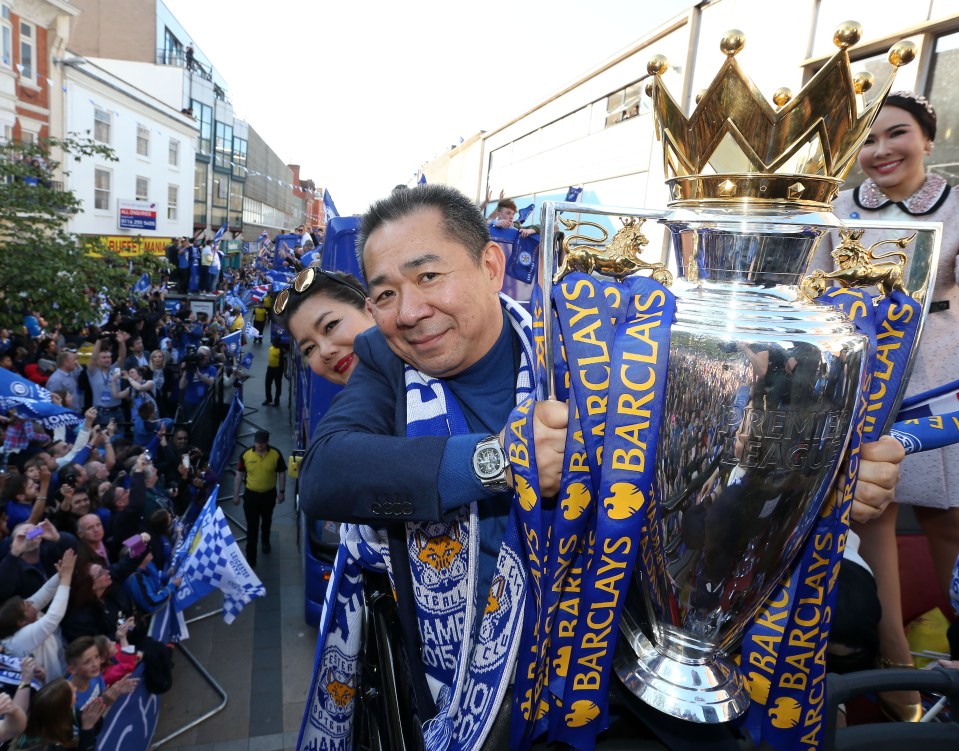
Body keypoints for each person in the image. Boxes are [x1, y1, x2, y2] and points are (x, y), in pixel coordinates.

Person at [296, 185, 906, 748]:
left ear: (489, 267)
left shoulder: (599, 345)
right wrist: (500, 461)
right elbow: (327, 474)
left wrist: (810, 485)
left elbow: (704, 492)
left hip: (608, 673)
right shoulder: (380, 359)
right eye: (383, 293)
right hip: (457, 688)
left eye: (427, 275)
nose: (407, 311)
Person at [811, 91, 959, 721]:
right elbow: (811, 294)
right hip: (866, 377)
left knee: (948, 520)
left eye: (895, 135)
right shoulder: (838, 212)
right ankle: (893, 663)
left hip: (942, 375)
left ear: (928, 137)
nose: (879, 152)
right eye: (865, 142)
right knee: (872, 512)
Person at [232, 429, 286, 567]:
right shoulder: (246, 455)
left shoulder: (275, 454)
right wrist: (236, 494)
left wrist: (281, 491)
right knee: (252, 526)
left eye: (262, 443)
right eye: (257, 442)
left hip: (269, 495)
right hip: (251, 496)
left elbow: (281, 473)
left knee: (267, 520)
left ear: (267, 442)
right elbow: (239, 475)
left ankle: (265, 541)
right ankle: (251, 556)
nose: (259, 445)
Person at [262, 336, 286, 406]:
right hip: (270, 368)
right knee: (267, 384)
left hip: (277, 369)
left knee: (278, 385)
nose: (273, 343)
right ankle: (268, 399)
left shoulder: (281, 350)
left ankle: (277, 400)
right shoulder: (271, 348)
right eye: (273, 342)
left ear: (278, 343)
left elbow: (284, 361)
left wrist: (284, 371)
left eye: (275, 342)